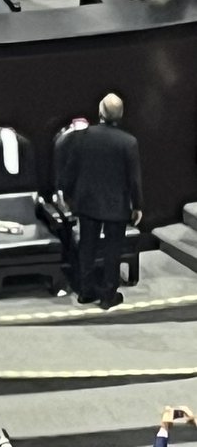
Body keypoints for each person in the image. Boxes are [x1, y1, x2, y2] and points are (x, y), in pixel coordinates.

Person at [62, 92, 142, 310]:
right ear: (121, 115)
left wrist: (67, 195)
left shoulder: (82, 136)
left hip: (87, 201)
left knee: (87, 247)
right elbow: (134, 179)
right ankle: (108, 295)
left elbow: (70, 171)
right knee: (112, 250)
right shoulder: (129, 142)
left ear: (100, 112)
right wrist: (138, 206)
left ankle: (86, 292)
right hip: (116, 204)